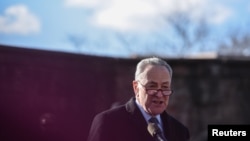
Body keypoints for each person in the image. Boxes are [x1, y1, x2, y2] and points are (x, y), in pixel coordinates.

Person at [87, 57, 190, 141]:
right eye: (152, 86)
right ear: (136, 87)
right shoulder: (108, 122)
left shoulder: (180, 131)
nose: (159, 94)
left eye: (165, 87)